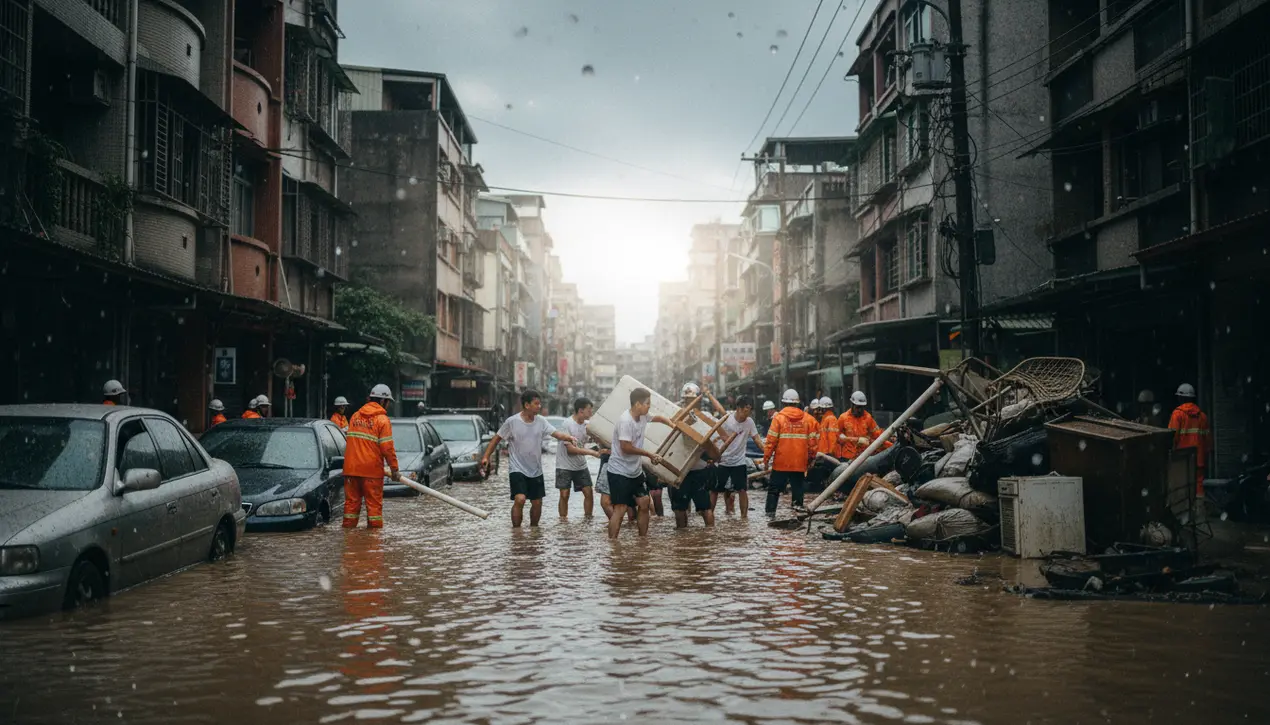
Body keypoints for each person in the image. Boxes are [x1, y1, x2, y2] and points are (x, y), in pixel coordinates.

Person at [480, 389, 577, 528]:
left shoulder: (541, 421)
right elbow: (496, 439)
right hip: (517, 468)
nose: (539, 407)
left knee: (537, 503)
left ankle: (534, 531)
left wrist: (569, 437)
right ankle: (516, 532)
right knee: (520, 499)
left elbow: (556, 434)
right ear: (526, 405)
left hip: (535, 469)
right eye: (536, 404)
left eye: (540, 404)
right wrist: (486, 457)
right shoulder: (512, 422)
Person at [607, 387, 672, 539]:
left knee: (644, 502)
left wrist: (670, 423)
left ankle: (642, 541)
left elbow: (656, 418)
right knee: (620, 509)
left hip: (634, 471)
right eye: (647, 403)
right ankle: (613, 545)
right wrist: (648, 454)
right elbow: (625, 447)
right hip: (619, 472)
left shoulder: (642, 417)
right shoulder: (625, 421)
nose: (649, 406)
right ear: (637, 404)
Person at [343, 384, 400, 529]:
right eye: (388, 402)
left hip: (351, 470)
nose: (388, 406)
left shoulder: (355, 416)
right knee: (374, 510)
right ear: (382, 401)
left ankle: (349, 540)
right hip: (371, 472)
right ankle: (373, 545)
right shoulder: (382, 420)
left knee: (350, 508)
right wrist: (394, 469)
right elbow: (387, 448)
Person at [672, 383, 722, 529]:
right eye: (687, 400)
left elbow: (714, 445)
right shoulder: (678, 416)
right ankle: (688, 540)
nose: (689, 403)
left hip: (697, 469)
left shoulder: (705, 418)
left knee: (704, 508)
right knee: (681, 509)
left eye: (690, 400)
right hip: (681, 470)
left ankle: (706, 537)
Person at [763, 389, 818, 516]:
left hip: (781, 462)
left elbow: (770, 441)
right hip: (799, 462)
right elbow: (813, 443)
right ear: (797, 403)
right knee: (798, 489)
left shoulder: (778, 419)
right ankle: (797, 515)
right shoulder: (809, 420)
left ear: (783, 403)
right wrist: (811, 459)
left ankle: (770, 516)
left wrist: (766, 459)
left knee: (774, 490)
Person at [713, 395, 765, 520]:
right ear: (738, 408)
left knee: (742, 490)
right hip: (723, 461)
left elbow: (757, 439)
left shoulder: (749, 422)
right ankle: (709, 517)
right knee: (714, 490)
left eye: (750, 410)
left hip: (739, 462)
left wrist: (768, 453)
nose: (747, 413)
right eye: (746, 409)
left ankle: (744, 518)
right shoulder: (726, 419)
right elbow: (714, 437)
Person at [556, 396, 607, 519]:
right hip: (564, 465)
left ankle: (588, 520)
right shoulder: (567, 424)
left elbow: (595, 440)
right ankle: (563, 522)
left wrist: (600, 446)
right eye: (589, 410)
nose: (591, 412)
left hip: (580, 465)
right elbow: (571, 450)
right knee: (564, 494)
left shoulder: (588, 426)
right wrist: (592, 453)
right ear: (581, 411)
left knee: (588, 492)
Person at [1168, 383, 1212, 496]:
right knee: (1199, 488)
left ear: (1180, 398)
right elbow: (1208, 442)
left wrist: (1170, 453)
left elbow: (1172, 437)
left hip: (1181, 459)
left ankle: (1185, 511)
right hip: (1199, 459)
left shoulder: (1177, 414)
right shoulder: (1203, 416)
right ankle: (1199, 509)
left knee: (1182, 488)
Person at [837, 391, 890, 461]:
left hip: (863, 457)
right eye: (858, 407)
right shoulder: (843, 418)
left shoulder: (868, 417)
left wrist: (891, 444)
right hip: (847, 457)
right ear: (852, 405)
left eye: (862, 407)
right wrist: (857, 440)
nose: (860, 410)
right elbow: (837, 437)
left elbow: (878, 436)